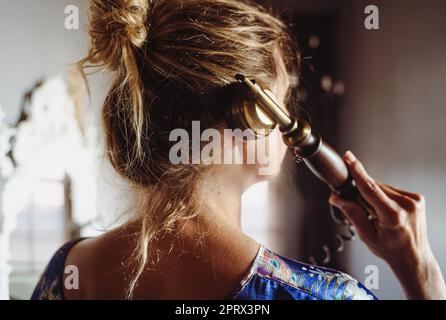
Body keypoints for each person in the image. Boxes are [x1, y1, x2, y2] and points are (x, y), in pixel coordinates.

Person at [31, 0, 445, 300]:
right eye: (284, 100)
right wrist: (422, 273)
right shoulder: (326, 297)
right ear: (252, 119)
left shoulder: (66, 272)